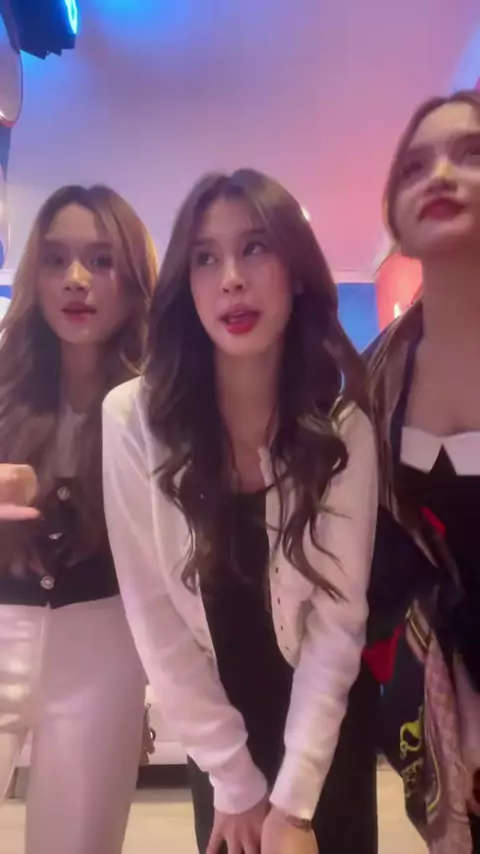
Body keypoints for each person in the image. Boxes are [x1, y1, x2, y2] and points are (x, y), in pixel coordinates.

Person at [102, 169, 379, 854]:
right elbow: (153, 614)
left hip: (325, 721)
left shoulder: (341, 426)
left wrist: (294, 803)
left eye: (255, 248)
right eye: (205, 257)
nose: (231, 279)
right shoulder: (135, 419)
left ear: (297, 273)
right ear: (186, 282)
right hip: (218, 728)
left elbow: (338, 621)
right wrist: (236, 780)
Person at [0, 184, 157, 853]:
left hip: (103, 642)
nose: (76, 279)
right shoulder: (4, 381)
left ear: (134, 279)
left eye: (100, 260)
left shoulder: (160, 405)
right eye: (56, 259)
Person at [366, 89, 480, 853]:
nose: (439, 175)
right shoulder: (378, 377)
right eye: (415, 166)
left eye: (471, 154)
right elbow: (390, 565)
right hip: (457, 702)